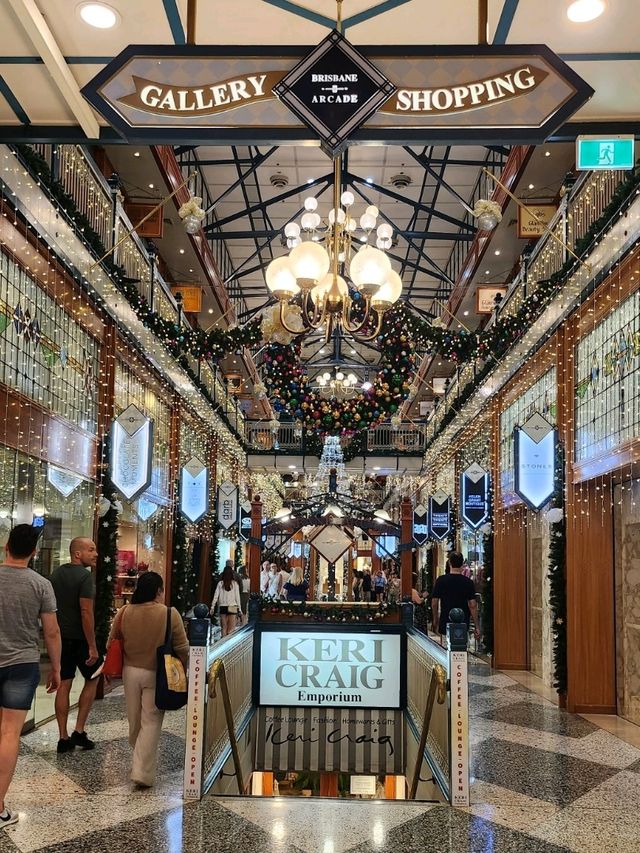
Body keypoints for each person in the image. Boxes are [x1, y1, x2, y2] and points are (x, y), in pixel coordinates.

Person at [0, 525, 61, 829]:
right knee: (10, 733)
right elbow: (51, 631)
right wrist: (58, 668)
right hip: (22, 664)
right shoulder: (41, 585)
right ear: (34, 552)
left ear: (5, 546)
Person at [107, 572, 188, 788]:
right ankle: (142, 770)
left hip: (130, 671)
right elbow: (182, 647)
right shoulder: (169, 614)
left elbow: (112, 640)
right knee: (151, 721)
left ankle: (140, 764)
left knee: (134, 719)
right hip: (157, 673)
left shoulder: (124, 612)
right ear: (158, 591)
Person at [50, 537, 101, 753]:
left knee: (64, 685)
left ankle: (63, 737)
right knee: (94, 677)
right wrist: (92, 645)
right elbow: (86, 612)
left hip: (61, 638)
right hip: (80, 639)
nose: (96, 553)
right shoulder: (85, 577)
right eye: (91, 550)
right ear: (77, 554)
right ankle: (79, 731)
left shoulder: (56, 575)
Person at [431, 552, 480, 641]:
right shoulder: (468, 582)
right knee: (462, 648)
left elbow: (434, 602)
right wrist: (477, 626)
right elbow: (473, 605)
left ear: (449, 563)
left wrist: (435, 619)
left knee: (445, 650)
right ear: (462, 564)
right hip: (463, 623)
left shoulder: (441, 580)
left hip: (445, 622)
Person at [210, 564, 242, 637]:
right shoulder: (235, 584)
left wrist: (212, 607)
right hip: (232, 606)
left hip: (223, 606)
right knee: (231, 629)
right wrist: (239, 609)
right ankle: (229, 644)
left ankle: (223, 641)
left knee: (223, 628)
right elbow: (237, 597)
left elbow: (216, 596)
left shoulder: (220, 584)